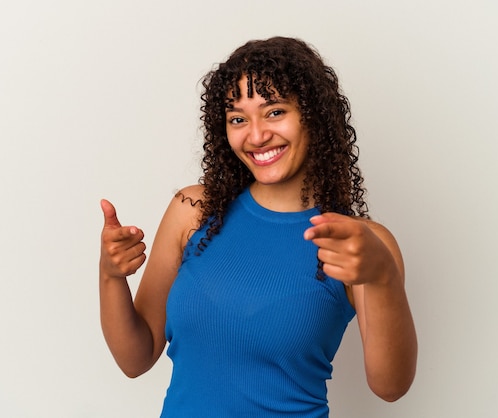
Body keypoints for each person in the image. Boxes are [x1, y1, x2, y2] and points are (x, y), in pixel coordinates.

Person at [99, 36, 417, 417]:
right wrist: (110, 276)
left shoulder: (359, 242)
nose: (256, 135)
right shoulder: (195, 211)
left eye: (275, 112)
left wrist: (381, 276)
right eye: (237, 119)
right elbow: (135, 358)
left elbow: (391, 387)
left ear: (313, 114)